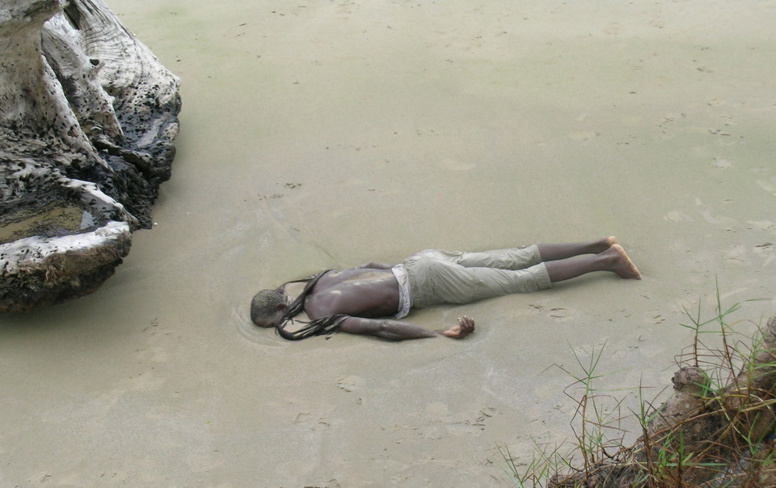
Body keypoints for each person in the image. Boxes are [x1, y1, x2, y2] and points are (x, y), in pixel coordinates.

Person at [250, 237, 640, 341]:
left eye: (275, 324)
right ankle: (598, 243)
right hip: (419, 262)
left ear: (283, 311)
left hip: (429, 283)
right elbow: (370, 267)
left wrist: (438, 334)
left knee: (519, 280)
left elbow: (378, 328)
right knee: (512, 257)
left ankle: (607, 261)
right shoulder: (320, 279)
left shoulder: (320, 314)